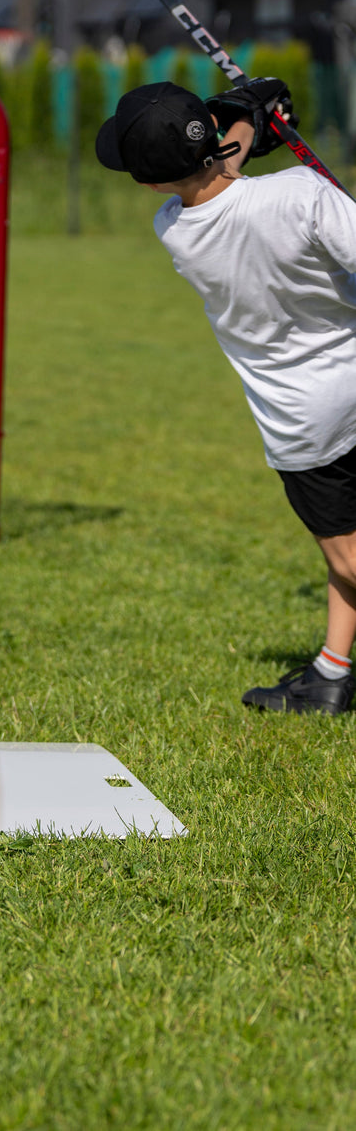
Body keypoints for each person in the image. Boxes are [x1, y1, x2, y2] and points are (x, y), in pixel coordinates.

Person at [95, 78, 356, 715]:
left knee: (348, 554)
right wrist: (253, 120)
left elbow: (218, 182)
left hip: (305, 423)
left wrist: (249, 125)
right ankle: (332, 675)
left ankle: (332, 675)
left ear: (151, 182)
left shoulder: (173, 228)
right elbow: (234, 175)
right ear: (209, 137)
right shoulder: (302, 194)